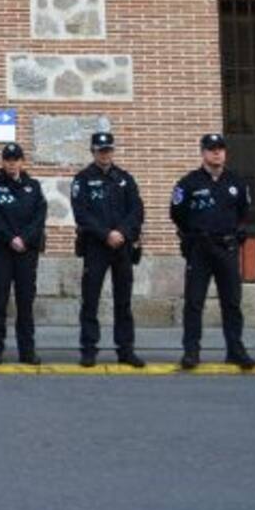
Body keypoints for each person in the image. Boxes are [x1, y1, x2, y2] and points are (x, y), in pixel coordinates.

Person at [171, 133, 255, 370]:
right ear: (203, 153)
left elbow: (243, 211)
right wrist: (192, 235)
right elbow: (177, 213)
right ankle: (191, 351)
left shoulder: (236, 182)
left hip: (226, 247)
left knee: (231, 302)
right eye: (211, 149)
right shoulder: (189, 183)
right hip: (199, 248)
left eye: (220, 148)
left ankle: (235, 350)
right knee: (194, 302)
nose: (217, 153)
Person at [72, 131, 146, 369]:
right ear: (93, 152)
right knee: (90, 300)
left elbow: (137, 210)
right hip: (96, 247)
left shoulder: (124, 178)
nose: (105, 154)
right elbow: (81, 214)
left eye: (108, 150)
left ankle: (126, 350)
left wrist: (122, 232)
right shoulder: (82, 179)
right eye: (100, 150)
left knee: (123, 301)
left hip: (122, 247)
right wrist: (106, 234)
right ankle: (89, 349)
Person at [0, 143, 46, 365]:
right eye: (8, 159)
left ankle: (27, 350)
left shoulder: (34, 186)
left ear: (22, 161)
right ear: (2, 162)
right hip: (1, 250)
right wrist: (11, 238)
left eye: (16, 159)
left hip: (26, 252)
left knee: (25, 301)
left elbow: (40, 217)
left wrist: (24, 239)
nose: (12, 163)